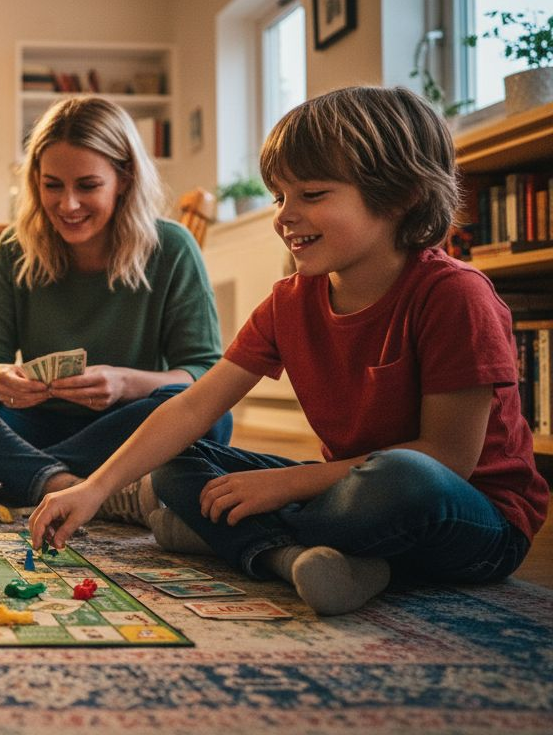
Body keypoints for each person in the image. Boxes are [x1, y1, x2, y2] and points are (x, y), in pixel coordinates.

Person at [30, 86, 549, 616]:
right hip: (347, 497)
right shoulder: (289, 303)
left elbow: (447, 460)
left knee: (403, 477)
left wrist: (288, 484)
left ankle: (241, 539)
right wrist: (94, 489)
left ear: (401, 195)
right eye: (279, 196)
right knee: (175, 468)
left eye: (312, 195)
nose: (284, 216)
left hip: (468, 518)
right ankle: (299, 557)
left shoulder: (453, 295)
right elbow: (192, 405)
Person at [0, 96, 230, 514]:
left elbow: (204, 375)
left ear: (125, 178)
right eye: (52, 186)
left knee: (212, 418)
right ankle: (74, 484)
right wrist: (1, 377)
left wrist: (123, 383)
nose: (68, 205)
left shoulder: (171, 247)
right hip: (25, 425)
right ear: (35, 182)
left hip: (125, 428)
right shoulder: (15, 246)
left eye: (87, 185)